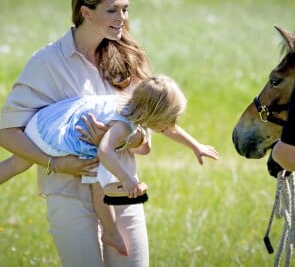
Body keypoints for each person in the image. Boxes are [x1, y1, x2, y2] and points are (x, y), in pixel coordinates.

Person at [0, 0, 153, 266]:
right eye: (112, 10)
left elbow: (145, 139)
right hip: (68, 198)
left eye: (125, 9)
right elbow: (7, 132)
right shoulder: (47, 62)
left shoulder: (129, 58)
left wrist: (129, 138)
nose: (122, 17)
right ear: (86, 12)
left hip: (121, 191)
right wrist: (54, 163)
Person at [0, 75, 219, 257]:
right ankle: (111, 231)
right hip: (58, 136)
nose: (172, 125)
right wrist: (127, 179)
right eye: (170, 119)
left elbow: (168, 129)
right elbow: (105, 151)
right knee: (98, 178)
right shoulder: (123, 125)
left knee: (16, 163)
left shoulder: (129, 103)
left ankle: (111, 231)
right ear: (151, 115)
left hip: (45, 122)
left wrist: (195, 146)